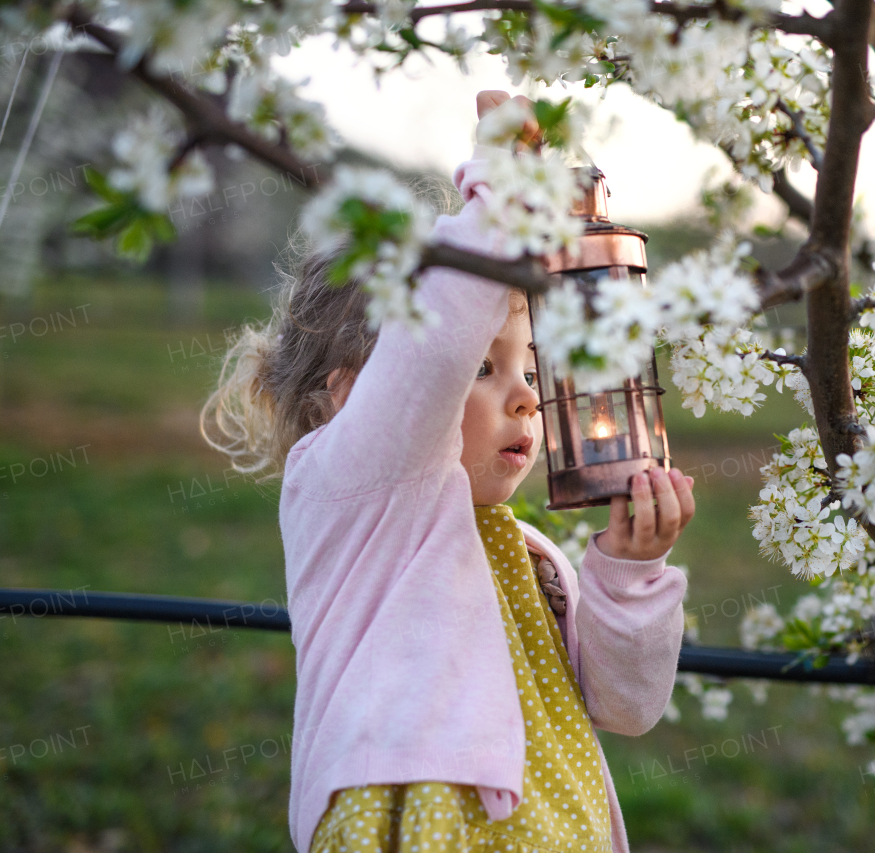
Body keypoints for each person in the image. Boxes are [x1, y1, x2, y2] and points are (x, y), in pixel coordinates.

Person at [199, 90, 695, 853]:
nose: (529, 396)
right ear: (354, 395)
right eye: (484, 366)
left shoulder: (529, 555)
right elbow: (427, 358)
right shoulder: (354, 495)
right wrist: (505, 201)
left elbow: (628, 706)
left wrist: (630, 575)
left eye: (528, 364)